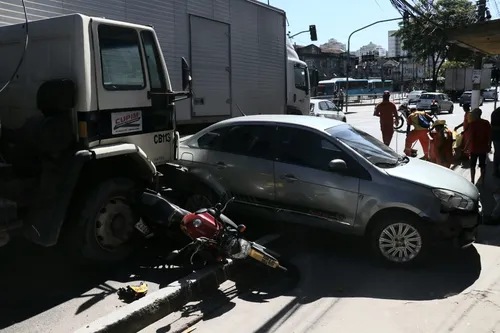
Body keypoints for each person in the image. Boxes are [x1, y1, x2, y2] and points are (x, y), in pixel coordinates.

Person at [464, 108, 492, 184]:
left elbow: (470, 137)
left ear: (476, 115)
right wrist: (490, 146)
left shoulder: (473, 124)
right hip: (483, 148)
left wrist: (466, 147)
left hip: (474, 148)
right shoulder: (486, 123)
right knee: (483, 165)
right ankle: (482, 180)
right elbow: (489, 135)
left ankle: (472, 180)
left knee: (472, 165)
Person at [491, 107, 500, 177]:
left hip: (496, 137)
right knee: (498, 153)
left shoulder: (495, 112)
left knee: (497, 153)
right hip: (497, 136)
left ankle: (496, 170)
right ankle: (496, 170)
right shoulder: (496, 113)